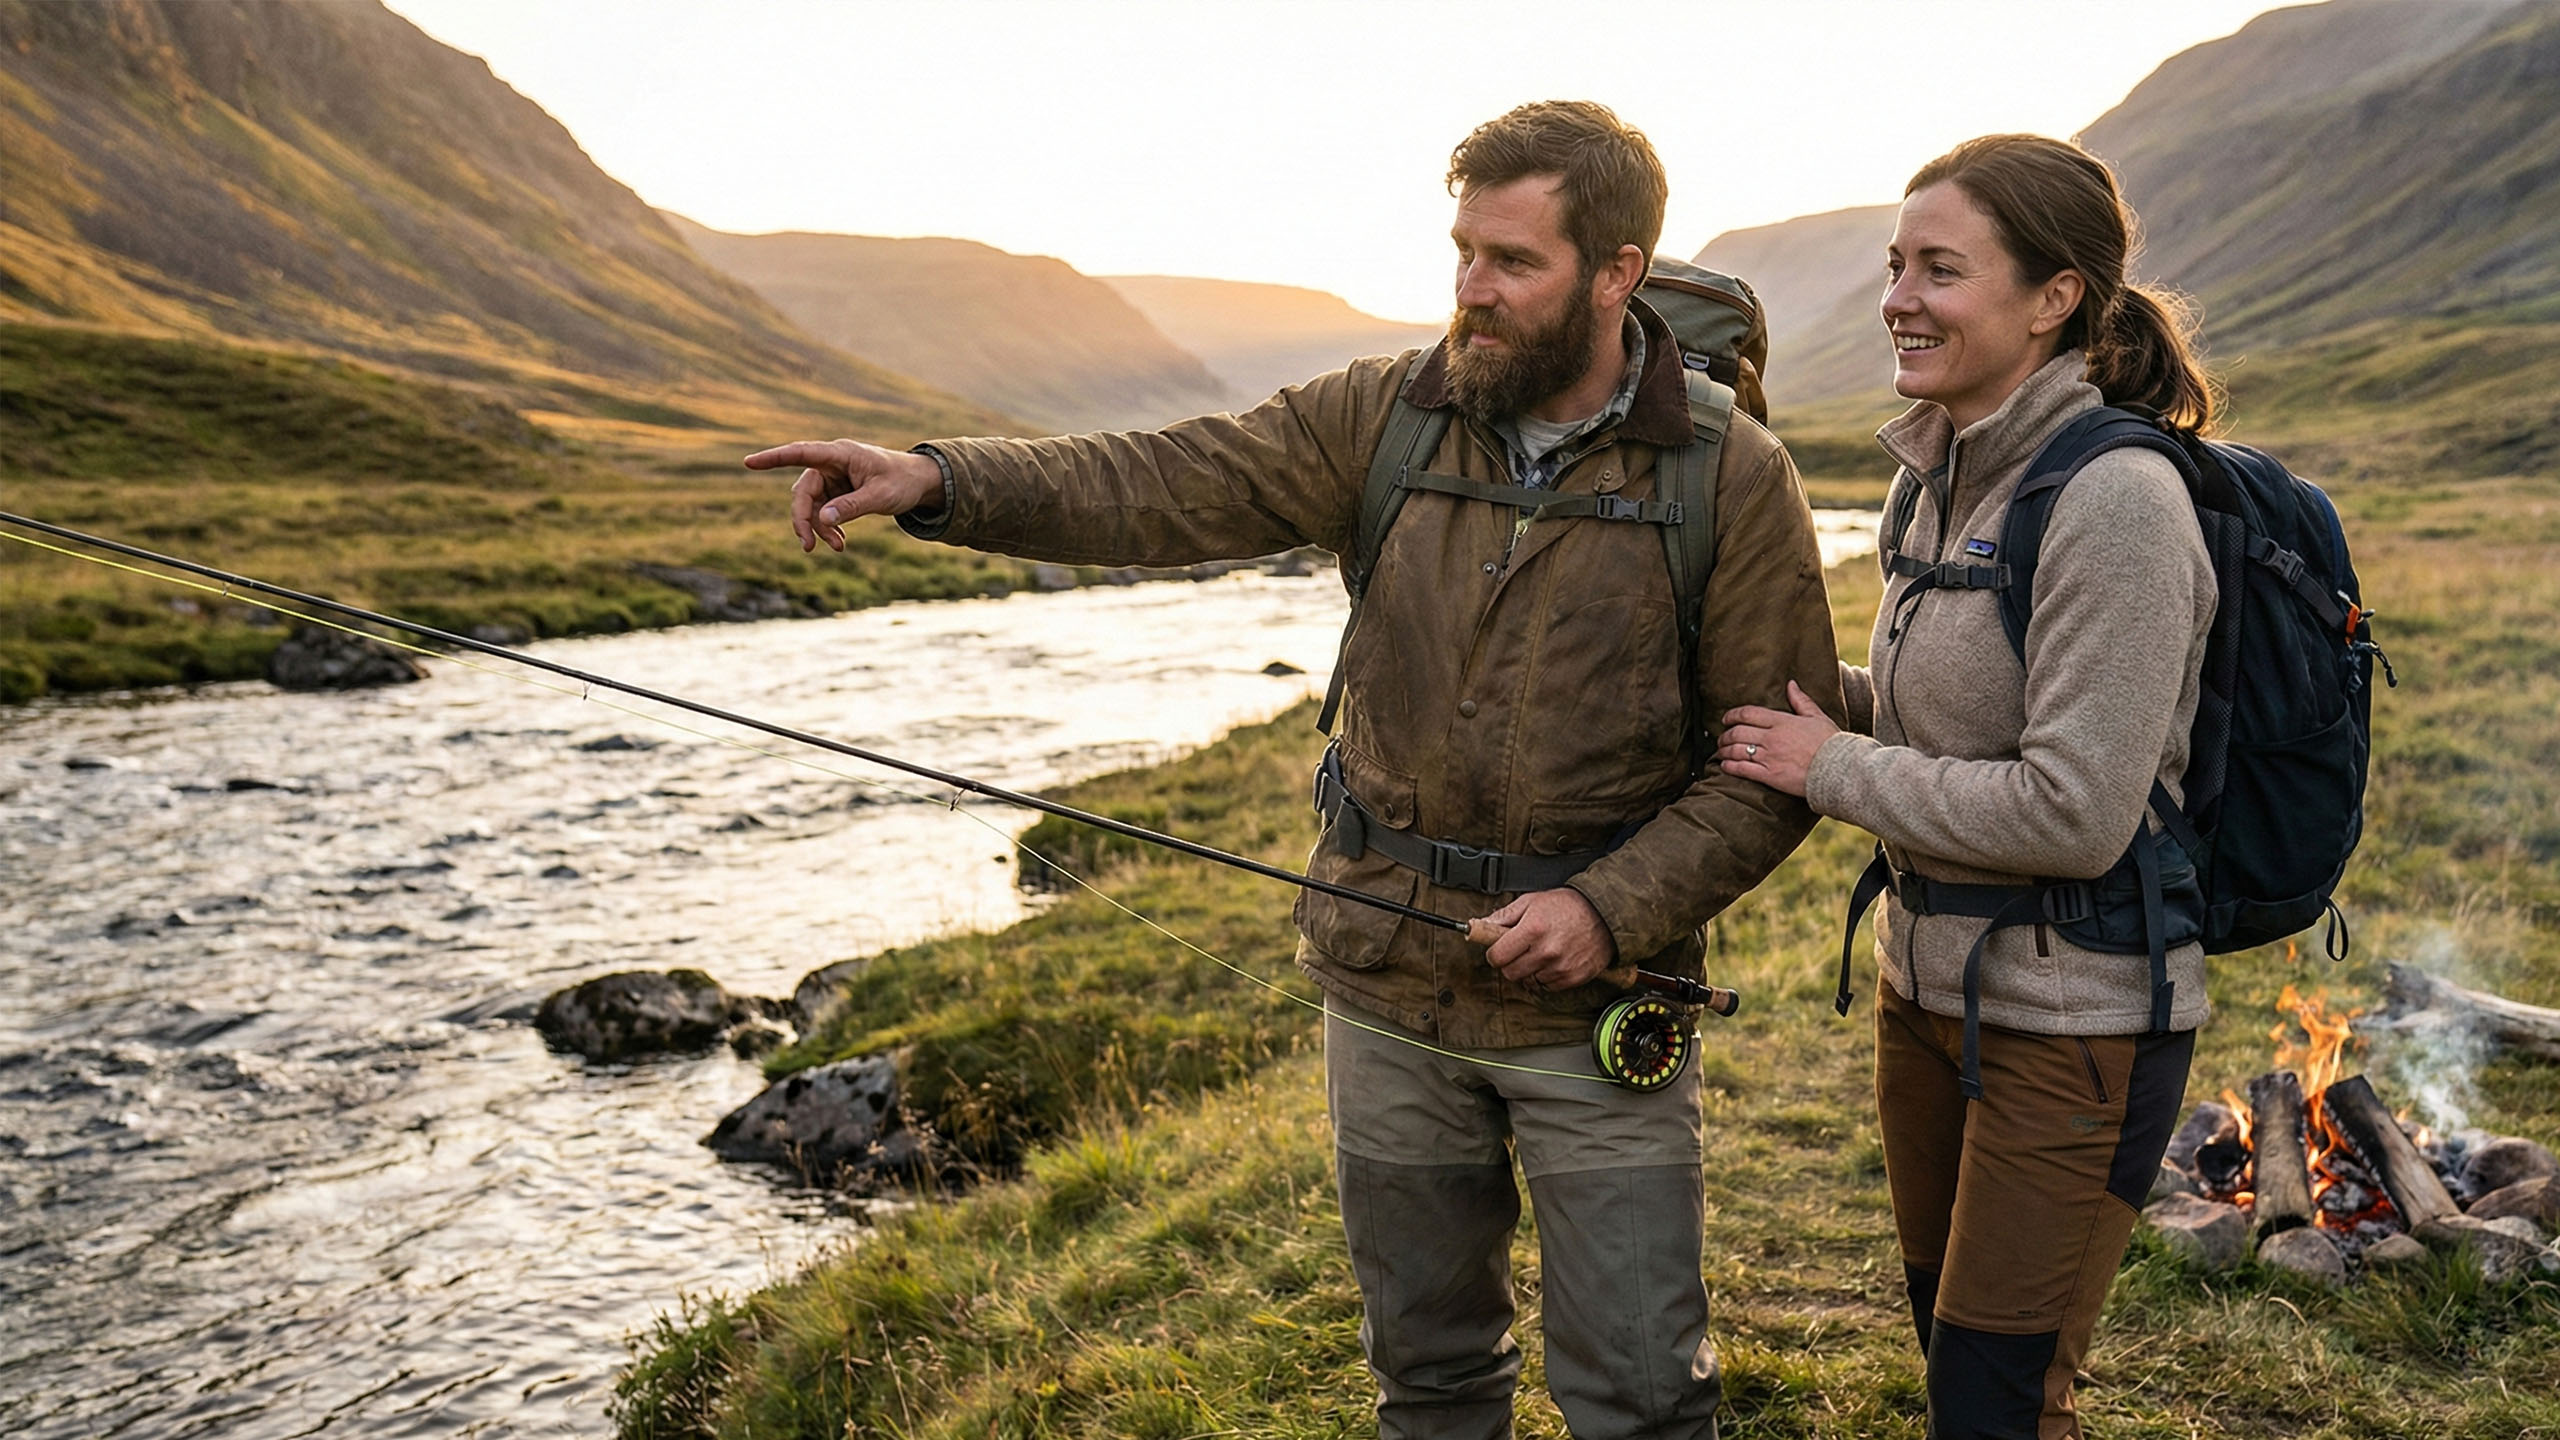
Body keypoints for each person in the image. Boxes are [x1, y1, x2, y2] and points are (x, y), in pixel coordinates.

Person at [746, 101, 1840, 1440]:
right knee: (1428, 1380)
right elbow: (1167, 480)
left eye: (1513, 262)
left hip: (1597, 1005)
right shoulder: (1385, 413)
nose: (1472, 291)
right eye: (1462, 253)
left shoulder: (1733, 477)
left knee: (1641, 1396)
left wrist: (1607, 911)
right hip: (1381, 983)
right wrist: (939, 480)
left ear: (1617, 272)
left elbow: (1768, 769)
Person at [1715, 133, 2216, 1440]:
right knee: (1952, 1356)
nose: (1899, 298)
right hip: (1925, 994)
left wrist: (1829, 768)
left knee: (2000, 1400)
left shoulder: (2119, 502)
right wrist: (1800, 696)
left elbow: (2075, 810)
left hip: (2077, 1018)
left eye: (1942, 269)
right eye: (1896, 266)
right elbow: (1941, 717)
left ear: (2054, 297)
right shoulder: (1930, 476)